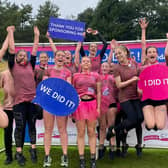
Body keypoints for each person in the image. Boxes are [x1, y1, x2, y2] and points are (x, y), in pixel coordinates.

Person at [7, 25, 40, 166]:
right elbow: (12, 49)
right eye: (20, 55)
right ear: (16, 58)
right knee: (19, 128)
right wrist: (10, 33)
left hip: (32, 102)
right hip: (19, 102)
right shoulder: (13, 66)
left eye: (24, 55)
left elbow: (34, 50)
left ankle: (33, 149)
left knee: (32, 126)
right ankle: (19, 153)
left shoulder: (30, 66)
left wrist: (37, 36)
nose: (22, 57)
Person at [106, 45, 144, 156]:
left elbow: (140, 77)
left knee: (140, 118)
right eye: (116, 54)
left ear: (126, 52)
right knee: (132, 119)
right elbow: (119, 85)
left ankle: (116, 130)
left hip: (136, 96)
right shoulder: (117, 68)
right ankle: (114, 131)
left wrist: (139, 86)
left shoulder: (134, 64)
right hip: (125, 98)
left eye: (119, 53)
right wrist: (132, 80)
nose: (117, 55)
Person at [43, 50, 72, 167]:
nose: (60, 57)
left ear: (65, 59)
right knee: (48, 130)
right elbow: (44, 86)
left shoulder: (68, 72)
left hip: (61, 103)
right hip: (49, 103)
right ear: (54, 58)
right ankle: (47, 156)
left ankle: (65, 155)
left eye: (63, 56)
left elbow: (68, 88)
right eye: (58, 55)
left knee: (62, 130)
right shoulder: (48, 70)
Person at [139, 18, 167, 130]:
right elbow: (143, 45)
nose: (151, 53)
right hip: (147, 100)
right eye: (149, 52)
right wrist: (143, 30)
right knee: (150, 125)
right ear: (146, 55)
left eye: (154, 52)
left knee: (159, 126)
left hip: (160, 100)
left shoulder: (162, 67)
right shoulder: (144, 65)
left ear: (157, 54)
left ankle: (155, 120)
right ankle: (148, 122)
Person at [73, 56, 101, 168]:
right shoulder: (75, 76)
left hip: (92, 104)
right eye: (84, 61)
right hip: (79, 105)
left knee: (91, 132)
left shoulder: (96, 75)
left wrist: (98, 107)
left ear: (91, 64)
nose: (86, 63)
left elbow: (98, 92)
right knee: (81, 132)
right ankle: (82, 159)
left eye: (88, 61)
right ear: (80, 63)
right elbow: (71, 92)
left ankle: (93, 159)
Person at [98, 62, 117, 160]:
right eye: (103, 66)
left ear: (109, 68)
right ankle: (101, 147)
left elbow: (118, 89)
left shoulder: (113, 78)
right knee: (102, 127)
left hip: (111, 104)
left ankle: (112, 147)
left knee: (111, 127)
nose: (104, 68)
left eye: (106, 66)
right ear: (100, 68)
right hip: (101, 105)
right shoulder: (97, 78)